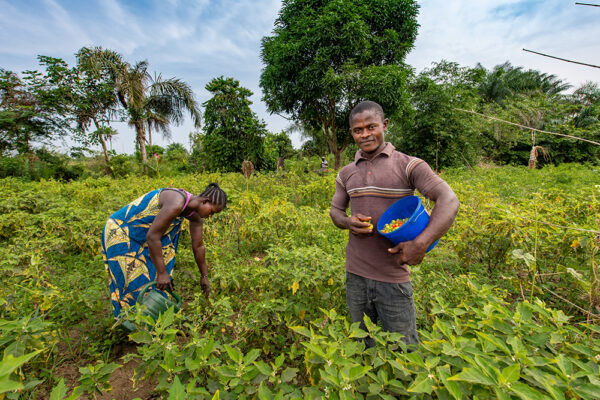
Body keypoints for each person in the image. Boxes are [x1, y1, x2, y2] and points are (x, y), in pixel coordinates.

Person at [329, 101, 459, 348]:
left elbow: (449, 200)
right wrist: (348, 222)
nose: (365, 134)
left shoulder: (409, 165)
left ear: (384, 125)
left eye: (371, 127)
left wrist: (420, 244)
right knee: (362, 345)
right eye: (358, 130)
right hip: (355, 274)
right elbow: (335, 211)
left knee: (403, 350)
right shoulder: (345, 173)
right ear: (352, 133)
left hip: (393, 277)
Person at [101, 183, 227, 319]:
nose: (211, 216)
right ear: (205, 201)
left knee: (161, 273)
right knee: (134, 278)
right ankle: (133, 322)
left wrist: (204, 276)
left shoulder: (195, 216)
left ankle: (154, 321)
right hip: (121, 232)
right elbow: (153, 237)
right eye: (212, 212)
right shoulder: (177, 201)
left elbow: (198, 246)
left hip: (144, 236)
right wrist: (161, 273)